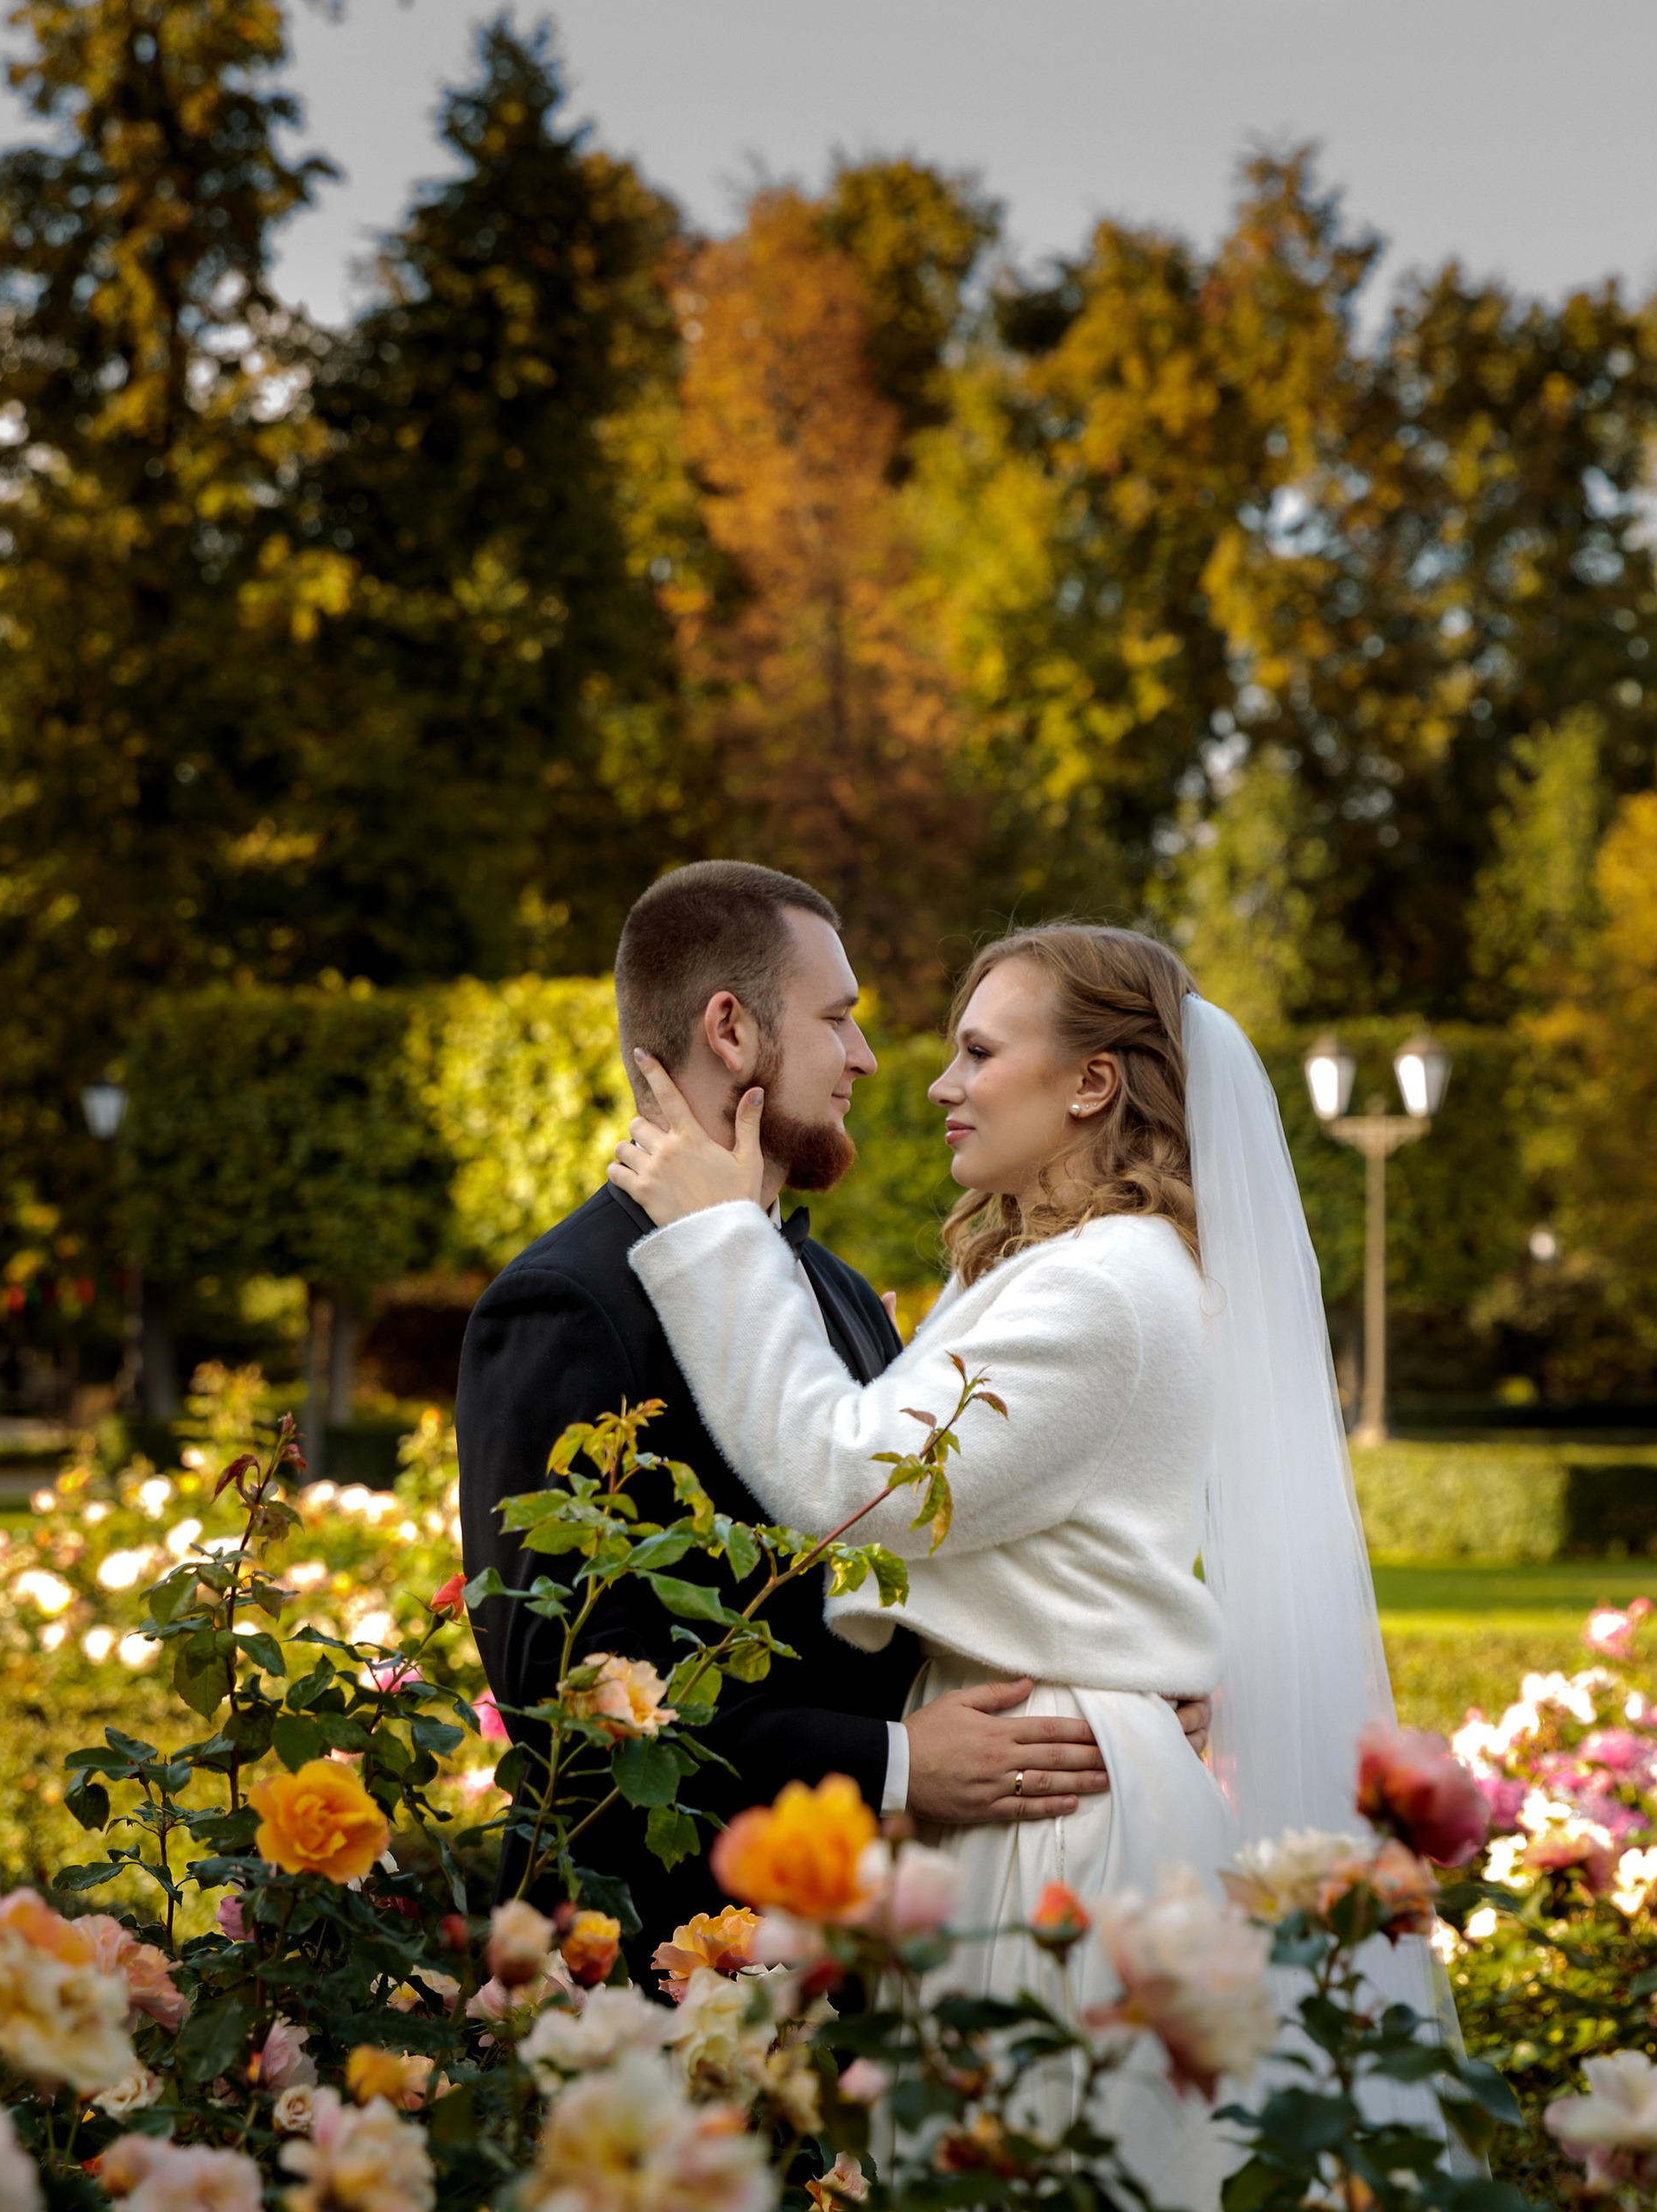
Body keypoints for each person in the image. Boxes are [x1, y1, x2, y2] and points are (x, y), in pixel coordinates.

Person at [610, 922, 1454, 2199]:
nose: (941, 1082)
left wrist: (719, 1234)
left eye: (979, 1050)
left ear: (1092, 1084)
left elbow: (854, 1484)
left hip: (1047, 1820)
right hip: (1038, 1770)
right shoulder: (1069, 1264)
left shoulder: (1102, 1287)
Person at [455, 864, 1203, 1970]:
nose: (869, 1059)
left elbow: (909, 1558)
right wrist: (893, 1762)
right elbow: (568, 1698)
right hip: (653, 1965)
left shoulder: (840, 1292)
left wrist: (1124, 1675)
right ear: (731, 1029)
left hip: (861, 1951)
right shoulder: (569, 1299)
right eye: (839, 1020)